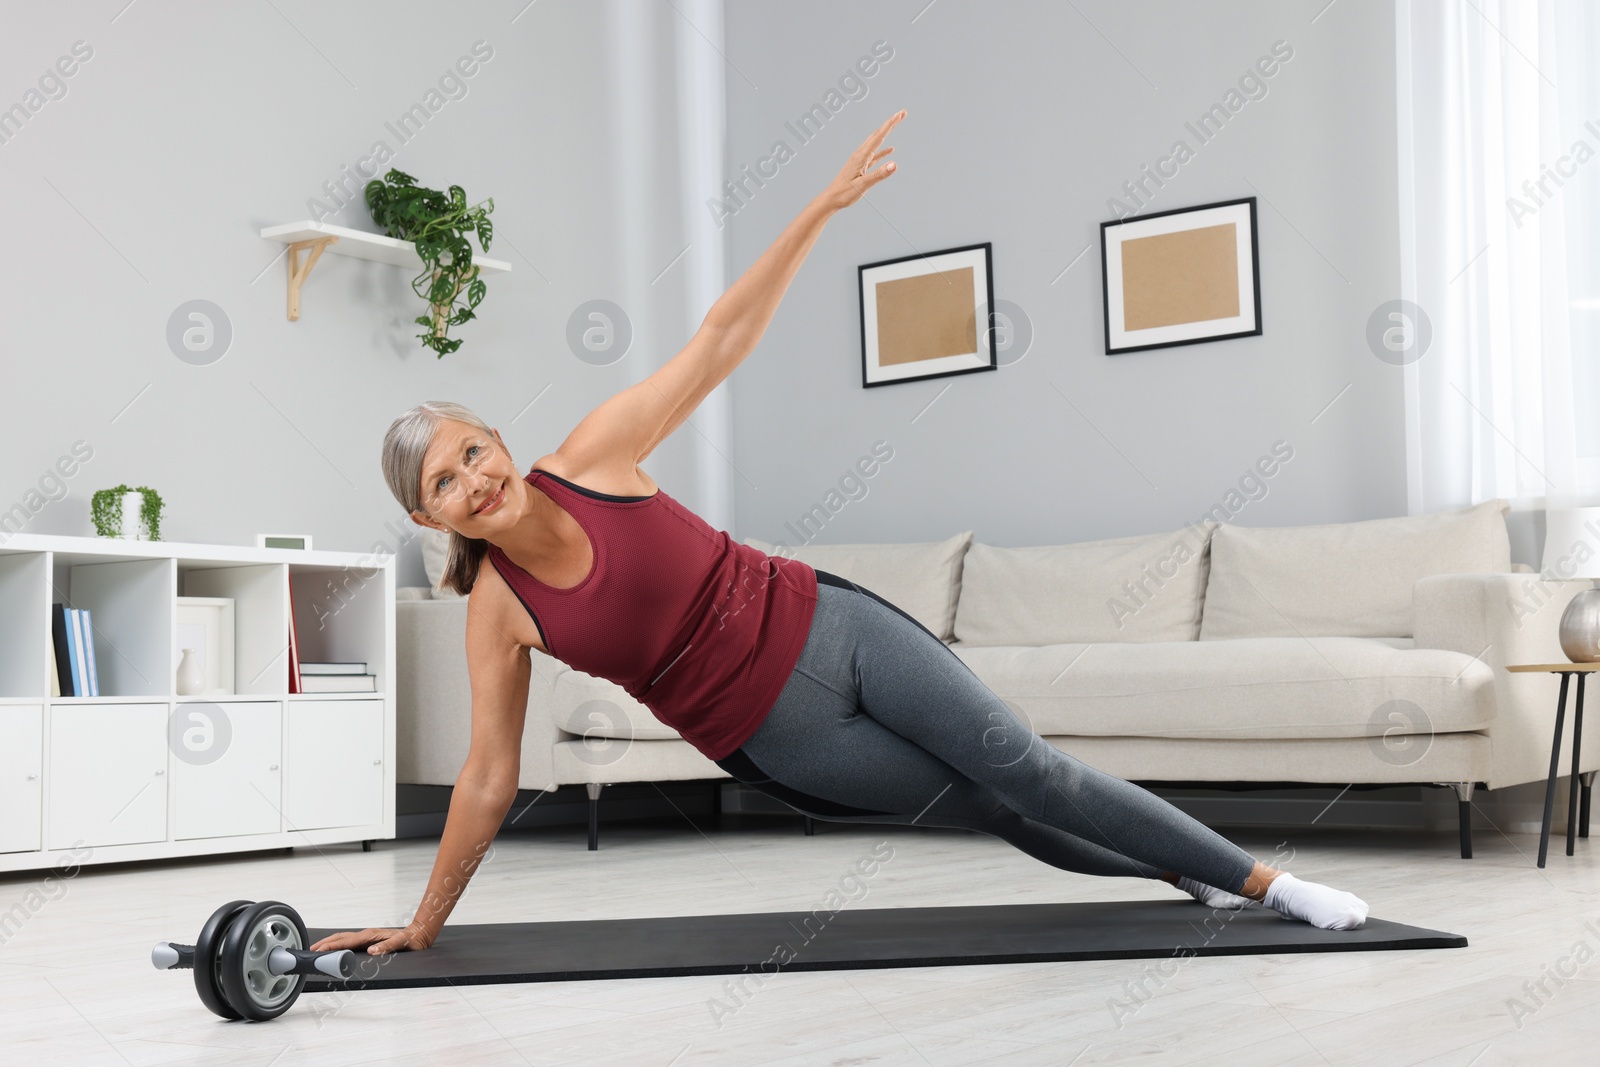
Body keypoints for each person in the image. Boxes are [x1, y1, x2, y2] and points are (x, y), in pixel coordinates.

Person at [312, 109, 1367, 958]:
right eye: (444, 482)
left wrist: (817, 207)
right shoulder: (498, 611)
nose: (472, 479)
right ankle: (1180, 867)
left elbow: (719, 337)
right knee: (1003, 810)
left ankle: (1268, 881)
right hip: (776, 734)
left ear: (498, 439)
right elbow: (489, 774)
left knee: (1029, 768)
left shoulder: (589, 458)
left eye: (470, 450)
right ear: (429, 515)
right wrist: (423, 921)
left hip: (831, 625)